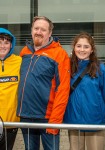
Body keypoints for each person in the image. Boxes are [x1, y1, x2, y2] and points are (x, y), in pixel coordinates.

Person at [17, 16, 70, 150]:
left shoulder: (59, 54)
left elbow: (63, 89)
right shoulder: (24, 52)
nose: (39, 32)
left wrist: (55, 122)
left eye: (43, 29)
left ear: (50, 33)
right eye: (36, 28)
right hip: (26, 116)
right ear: (31, 31)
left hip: (48, 119)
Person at [64, 32, 105, 150]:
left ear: (92, 50)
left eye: (86, 46)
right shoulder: (67, 67)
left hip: (95, 122)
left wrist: (102, 116)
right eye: (79, 46)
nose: (82, 49)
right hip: (74, 121)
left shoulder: (101, 68)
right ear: (74, 47)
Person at [0, 28, 22, 150]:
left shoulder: (19, 62)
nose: (2, 46)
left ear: (11, 45)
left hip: (11, 124)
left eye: (6, 42)